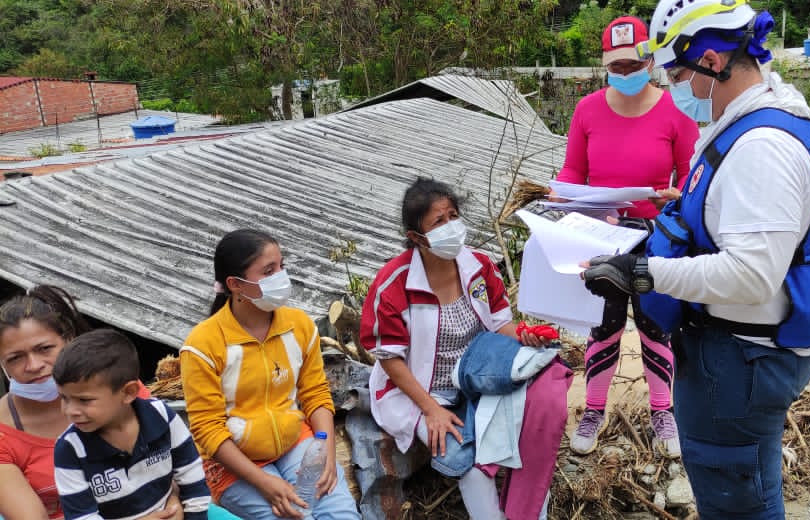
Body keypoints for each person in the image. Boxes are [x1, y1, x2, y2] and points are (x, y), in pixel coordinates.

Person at [582, 0, 810, 518]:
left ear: (712, 60)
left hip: (740, 358)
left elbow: (750, 275)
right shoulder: (757, 119)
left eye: (679, 72)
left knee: (737, 501)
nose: (678, 86)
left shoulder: (761, 146)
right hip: (741, 352)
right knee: (749, 477)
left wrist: (644, 273)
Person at [360, 178, 566, 520]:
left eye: (453, 215)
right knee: (467, 463)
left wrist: (526, 337)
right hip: (419, 392)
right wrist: (430, 410)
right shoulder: (393, 284)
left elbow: (500, 325)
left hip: (476, 376)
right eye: (438, 222)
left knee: (526, 441)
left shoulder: (479, 267)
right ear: (416, 237)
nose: (451, 226)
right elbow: (392, 360)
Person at [554, 15, 698, 458]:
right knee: (604, 326)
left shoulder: (678, 108)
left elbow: (693, 178)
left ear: (651, 61)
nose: (626, 75)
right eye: (616, 68)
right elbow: (575, 170)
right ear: (604, 67)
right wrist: (560, 198)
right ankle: (594, 408)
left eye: (634, 67)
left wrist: (677, 197)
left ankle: (662, 409)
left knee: (656, 324)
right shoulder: (588, 110)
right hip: (602, 233)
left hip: (657, 235)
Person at [180, 230, 358, 520]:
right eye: (268, 271)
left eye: (281, 266)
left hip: (294, 443)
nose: (281, 277)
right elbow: (208, 430)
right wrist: (265, 484)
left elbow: (315, 394)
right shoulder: (202, 345)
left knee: (342, 514)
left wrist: (324, 448)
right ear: (235, 285)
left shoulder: (299, 325)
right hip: (232, 465)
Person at [0, 286, 180, 520]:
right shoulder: (4, 434)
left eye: (44, 348)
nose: (33, 365)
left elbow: (175, 462)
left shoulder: (119, 388)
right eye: (15, 358)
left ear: (69, 341)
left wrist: (174, 503)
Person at [53, 330, 211, 520]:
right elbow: (81, 517)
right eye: (64, 398)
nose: (70, 410)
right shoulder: (70, 449)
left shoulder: (161, 416)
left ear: (128, 392)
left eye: (84, 400)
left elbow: (191, 475)